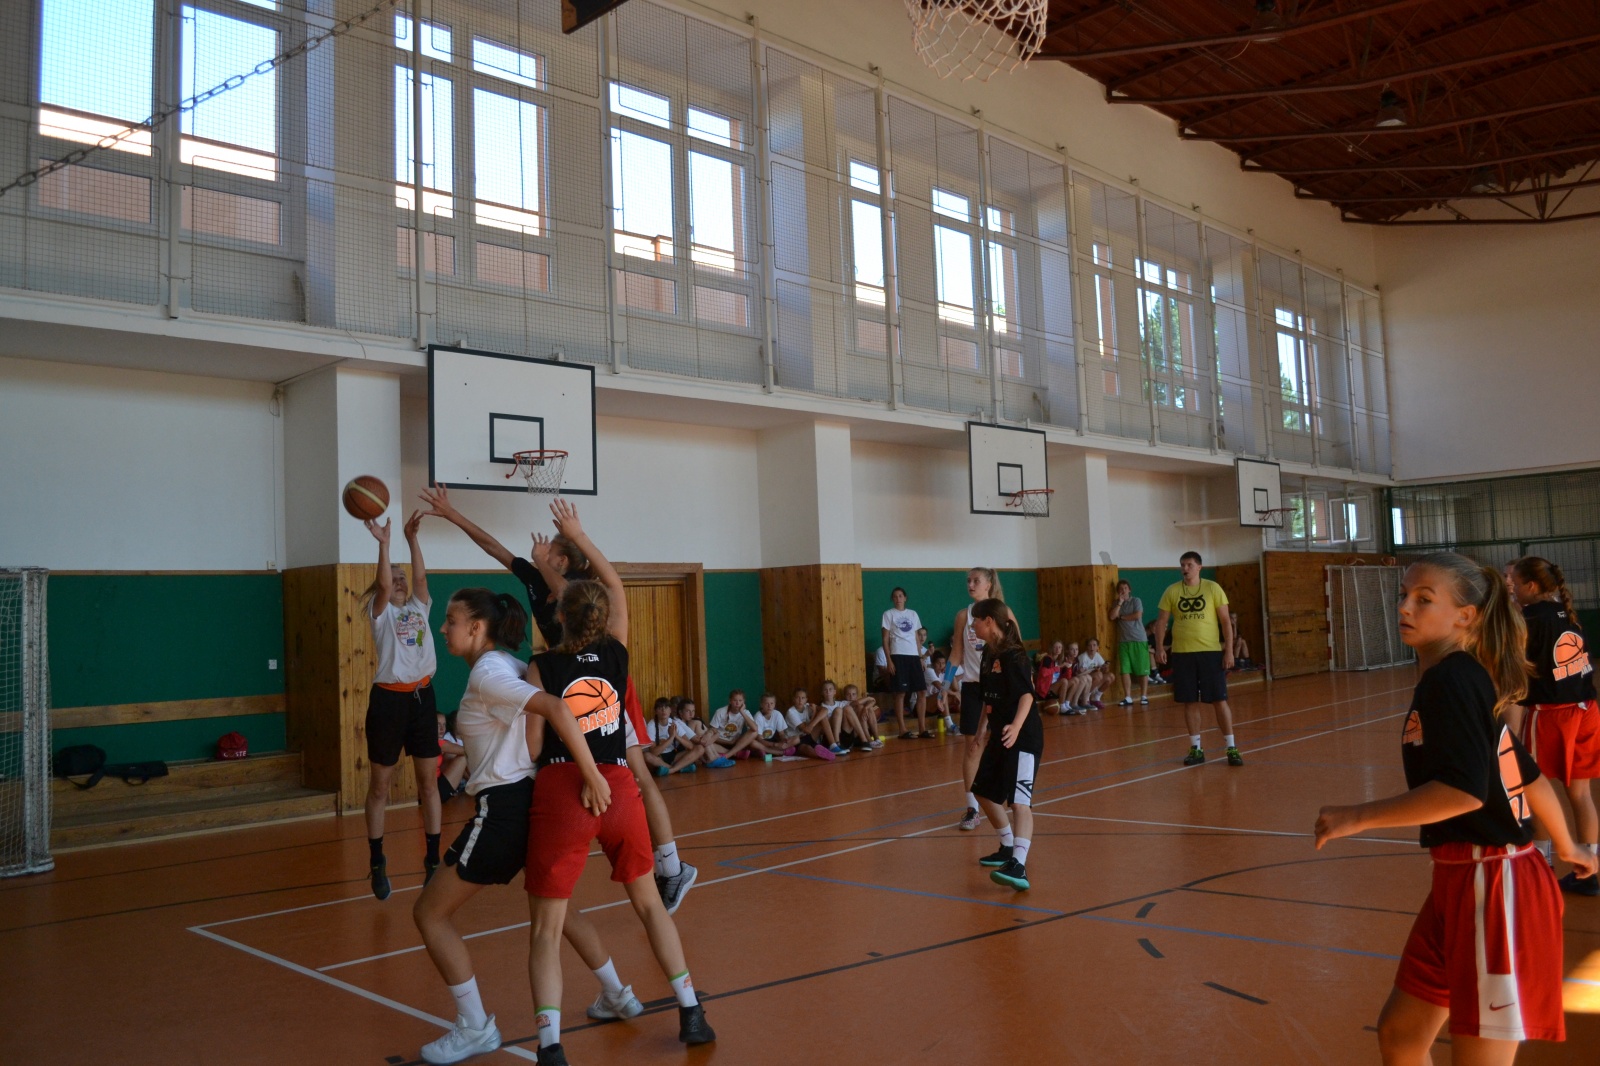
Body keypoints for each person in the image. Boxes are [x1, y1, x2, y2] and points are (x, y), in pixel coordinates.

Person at [1314, 552, 1596, 1062]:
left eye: (1424, 599)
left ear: (1465, 616)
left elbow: (1463, 792)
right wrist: (1570, 845)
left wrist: (1356, 816)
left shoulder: (1452, 681)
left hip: (1495, 886)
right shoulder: (1463, 677)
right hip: (1456, 881)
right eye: (1404, 595)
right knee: (1401, 1034)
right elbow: (1527, 774)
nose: (1405, 607)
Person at [419, 485, 697, 914]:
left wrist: (574, 538)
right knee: (562, 761)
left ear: (563, 562)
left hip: (598, 681)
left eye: (550, 549)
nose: (539, 549)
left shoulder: (575, 594)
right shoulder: (537, 583)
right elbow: (494, 547)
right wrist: (452, 514)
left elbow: (600, 588)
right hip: (561, 680)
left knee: (636, 772)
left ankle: (670, 866)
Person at [523, 501, 715, 1066]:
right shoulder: (616, 652)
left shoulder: (541, 667)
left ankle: (551, 1047)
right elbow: (614, 584)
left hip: (564, 787)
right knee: (650, 905)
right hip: (619, 787)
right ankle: (691, 1011)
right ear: (602, 617)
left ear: (558, 615)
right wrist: (578, 535)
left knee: (546, 928)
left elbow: (533, 749)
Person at [411, 589, 612, 1066]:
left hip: (504, 810)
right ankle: (617, 991)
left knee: (429, 913)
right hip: (529, 802)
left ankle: (475, 1027)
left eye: (451, 620)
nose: (443, 628)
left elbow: (558, 708)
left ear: (477, 627)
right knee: (559, 911)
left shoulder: (489, 674)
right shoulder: (510, 665)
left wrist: (593, 774)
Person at [361, 511, 443, 900]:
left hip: (422, 698)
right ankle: (377, 860)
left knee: (428, 784)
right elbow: (381, 583)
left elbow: (421, 579)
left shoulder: (419, 607)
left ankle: (433, 861)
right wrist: (384, 543)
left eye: (402, 577)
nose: (399, 581)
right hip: (389, 702)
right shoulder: (381, 614)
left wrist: (412, 539)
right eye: (394, 577)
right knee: (380, 786)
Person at [1507, 556, 1599, 895]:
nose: (1512, 588)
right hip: (1586, 709)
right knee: (1581, 795)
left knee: (1536, 791)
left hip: (1551, 714)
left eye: (1515, 582)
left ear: (1531, 586)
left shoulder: (1528, 620)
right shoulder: (1568, 614)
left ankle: (1543, 869)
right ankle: (1588, 872)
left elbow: (1517, 673)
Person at [969, 598, 1040, 892]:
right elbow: (989, 698)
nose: (972, 625)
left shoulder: (1015, 654)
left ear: (989, 621)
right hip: (999, 734)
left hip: (1022, 736)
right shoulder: (988, 653)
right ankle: (1008, 846)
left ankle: (1019, 866)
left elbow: (1027, 695)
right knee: (983, 791)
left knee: (1019, 801)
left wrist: (1016, 726)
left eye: (976, 620)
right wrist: (981, 730)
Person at [1152, 552, 1243, 767]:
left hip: (1210, 653)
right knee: (1190, 701)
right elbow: (1162, 621)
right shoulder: (1172, 591)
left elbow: (1225, 621)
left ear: (1199, 567)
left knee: (1219, 700)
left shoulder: (1213, 588)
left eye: (1189, 565)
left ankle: (1231, 748)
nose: (1185, 568)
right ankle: (1196, 749)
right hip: (1183, 654)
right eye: (1182, 565)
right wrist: (1159, 647)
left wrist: (1229, 651)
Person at [955, 568, 1005, 831]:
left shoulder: (1002, 612)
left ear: (988, 584)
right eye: (968, 581)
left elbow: (1015, 648)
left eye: (976, 581)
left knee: (1002, 743)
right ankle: (972, 808)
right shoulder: (963, 615)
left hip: (998, 687)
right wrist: (944, 685)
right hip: (972, 687)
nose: (971, 585)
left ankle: (1004, 797)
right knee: (972, 747)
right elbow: (956, 653)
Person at [882, 587, 929, 738]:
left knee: (921, 691)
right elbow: (885, 639)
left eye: (900, 596)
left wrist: (920, 657)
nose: (898, 599)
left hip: (913, 656)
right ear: (892, 599)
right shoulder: (888, 614)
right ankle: (902, 730)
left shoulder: (913, 614)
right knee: (901, 692)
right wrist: (889, 660)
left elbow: (916, 637)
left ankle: (922, 729)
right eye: (895, 596)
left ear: (905, 598)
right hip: (898, 655)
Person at [1109, 580, 1150, 706]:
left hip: (1139, 639)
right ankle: (1128, 697)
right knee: (1125, 669)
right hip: (1124, 641)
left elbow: (1137, 615)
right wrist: (1120, 603)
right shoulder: (1116, 603)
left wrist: (1122, 617)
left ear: (1129, 590)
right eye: (1120, 588)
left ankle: (1144, 696)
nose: (1123, 590)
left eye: (1125, 588)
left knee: (1142, 669)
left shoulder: (1136, 601)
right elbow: (1112, 616)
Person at [644, 697, 703, 776]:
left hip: (674, 755)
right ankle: (678, 768)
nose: (663, 710)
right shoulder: (651, 725)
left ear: (670, 710)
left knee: (700, 748)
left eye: (666, 707)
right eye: (660, 708)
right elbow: (653, 752)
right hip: (659, 758)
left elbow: (690, 746)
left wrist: (676, 736)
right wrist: (671, 738)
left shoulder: (674, 723)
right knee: (646, 756)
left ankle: (670, 770)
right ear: (656, 711)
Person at [674, 697, 737, 768]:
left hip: (690, 747)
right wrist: (715, 735)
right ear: (680, 712)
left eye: (693, 711)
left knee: (702, 732)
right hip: (678, 752)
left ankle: (715, 757)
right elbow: (700, 741)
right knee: (702, 738)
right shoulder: (678, 723)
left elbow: (709, 732)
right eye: (688, 711)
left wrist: (710, 734)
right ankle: (712, 758)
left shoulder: (688, 721)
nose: (691, 714)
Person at [819, 679, 876, 752]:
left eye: (830, 689)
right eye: (825, 690)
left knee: (848, 708)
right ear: (822, 693)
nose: (828, 692)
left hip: (845, 736)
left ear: (834, 692)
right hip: (831, 738)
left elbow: (856, 703)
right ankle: (836, 743)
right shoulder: (821, 708)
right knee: (838, 710)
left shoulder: (841, 703)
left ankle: (864, 741)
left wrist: (868, 699)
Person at [782, 688, 837, 761]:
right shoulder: (791, 712)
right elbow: (806, 730)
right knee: (806, 749)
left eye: (803, 698)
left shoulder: (807, 706)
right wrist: (814, 713)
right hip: (795, 741)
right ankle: (820, 754)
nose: (800, 700)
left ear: (806, 700)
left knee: (823, 717)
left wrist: (812, 725)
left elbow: (825, 710)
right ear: (793, 699)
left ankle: (833, 745)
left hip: (808, 736)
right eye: (798, 698)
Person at [708, 690, 764, 760]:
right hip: (721, 742)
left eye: (740, 700)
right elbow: (711, 733)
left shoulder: (745, 712)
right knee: (706, 744)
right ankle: (736, 753)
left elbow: (755, 728)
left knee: (754, 733)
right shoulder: (720, 712)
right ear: (730, 701)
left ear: (743, 702)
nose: (737, 703)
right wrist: (729, 742)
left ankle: (727, 755)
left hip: (736, 744)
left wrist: (742, 712)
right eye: (735, 700)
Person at [436, 713, 468, 803]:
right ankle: (476, 785)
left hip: (435, 787)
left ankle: (474, 784)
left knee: (451, 755)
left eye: (444, 725)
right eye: (438, 725)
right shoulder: (439, 743)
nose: (442, 729)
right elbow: (467, 751)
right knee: (463, 757)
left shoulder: (436, 742)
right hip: (437, 792)